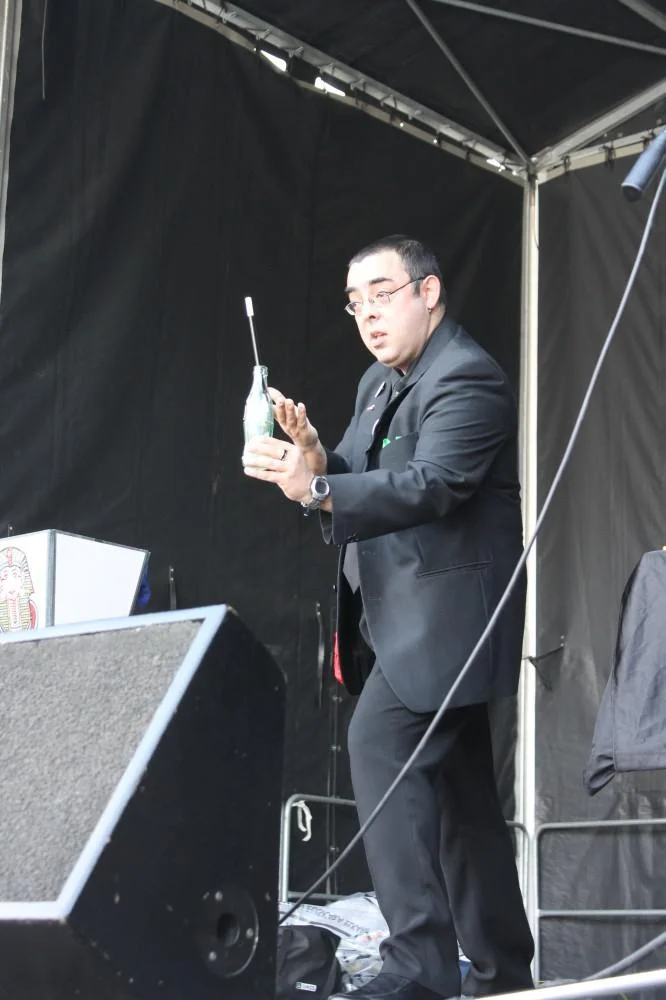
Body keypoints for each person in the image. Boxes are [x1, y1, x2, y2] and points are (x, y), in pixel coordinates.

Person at [243, 235, 534, 1000]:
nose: (367, 314)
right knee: (464, 809)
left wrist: (317, 491)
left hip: (449, 631)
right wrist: (315, 455)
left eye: (382, 294)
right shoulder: (379, 381)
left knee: (377, 744)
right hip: (401, 629)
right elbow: (356, 473)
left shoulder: (467, 375)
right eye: (355, 302)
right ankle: (505, 975)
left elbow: (433, 483)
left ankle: (419, 969)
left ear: (428, 293)